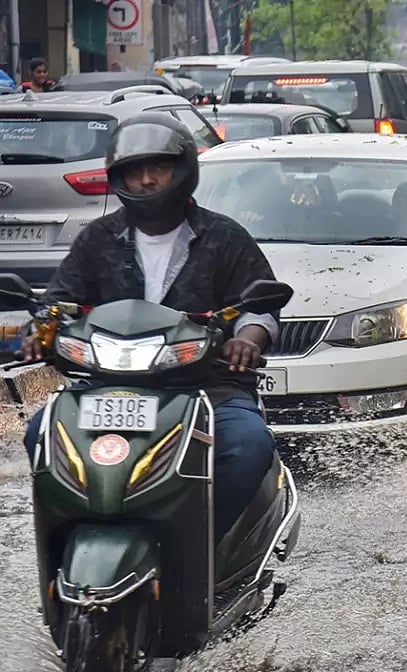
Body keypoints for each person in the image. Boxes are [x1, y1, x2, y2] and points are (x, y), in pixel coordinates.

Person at [20, 113, 280, 543]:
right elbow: (57, 301)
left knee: (247, 446)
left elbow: (259, 307)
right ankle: (68, 547)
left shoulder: (224, 236)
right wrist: (40, 329)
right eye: (134, 171)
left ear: (182, 171)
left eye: (157, 168)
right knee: (41, 435)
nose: (145, 181)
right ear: (118, 177)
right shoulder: (97, 238)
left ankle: (205, 548)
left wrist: (247, 340)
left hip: (205, 385)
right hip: (106, 386)